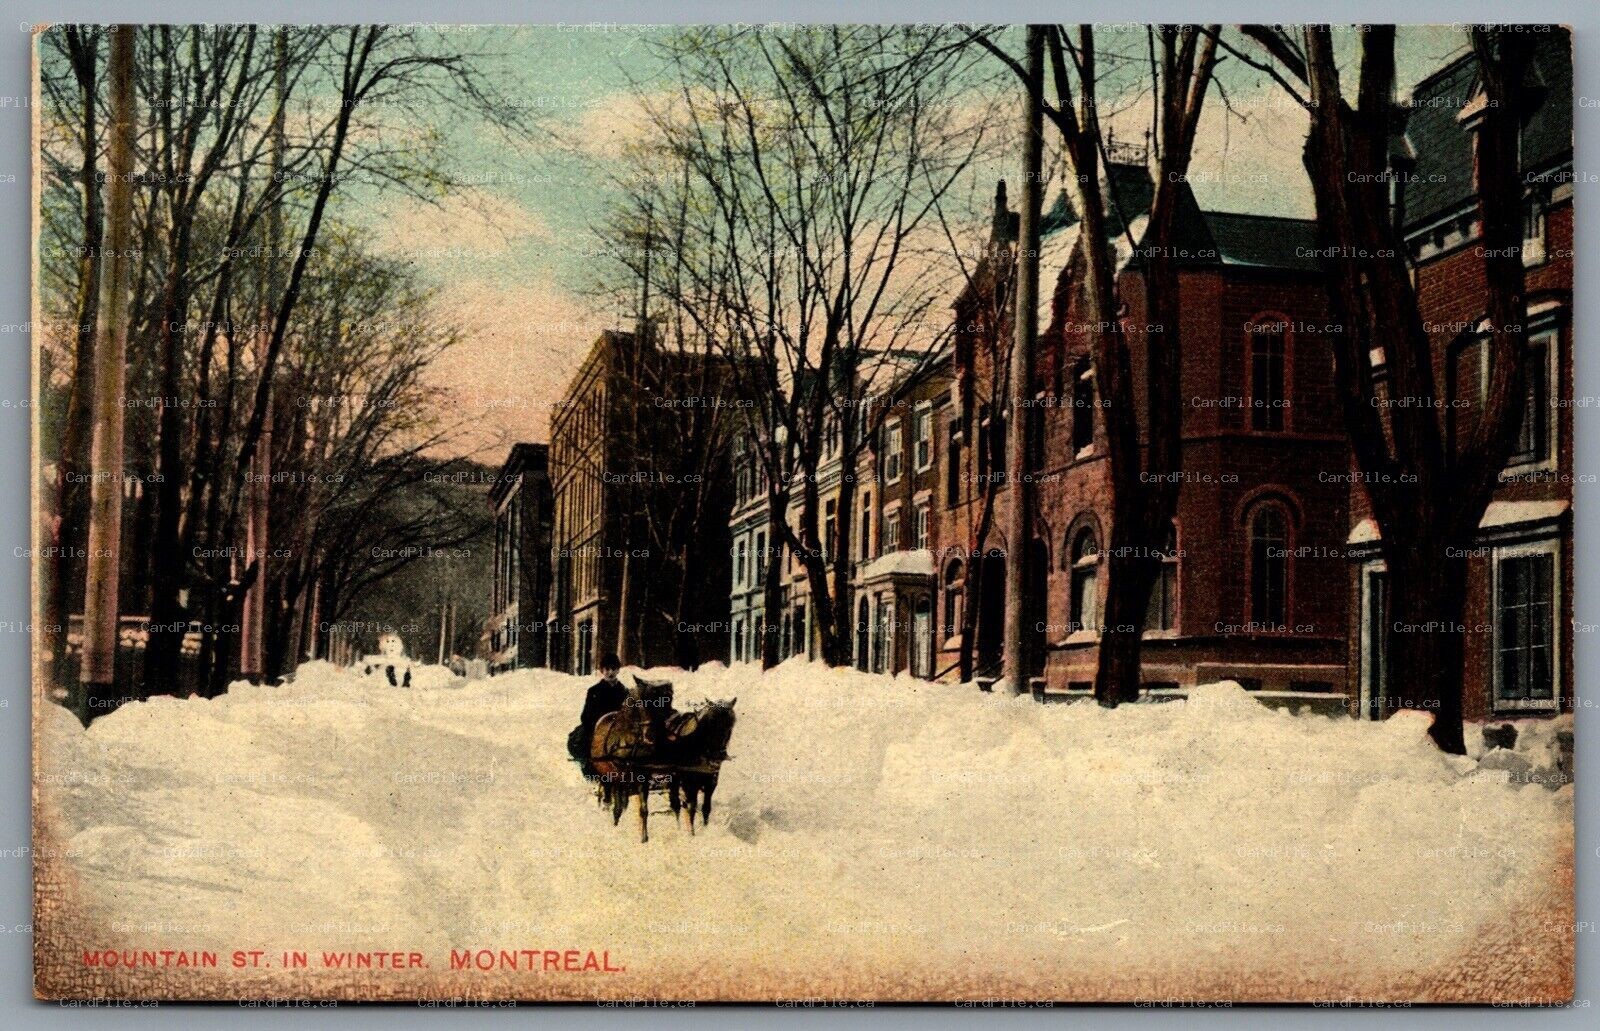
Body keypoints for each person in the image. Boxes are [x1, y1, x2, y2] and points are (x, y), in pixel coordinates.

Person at [568, 653, 627, 769]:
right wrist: (598, 725)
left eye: (614, 669)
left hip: (619, 729)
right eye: (607, 669)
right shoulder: (594, 691)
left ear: (618, 670)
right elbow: (586, 716)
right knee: (584, 739)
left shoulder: (624, 691)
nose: (610, 672)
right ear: (602, 670)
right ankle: (589, 764)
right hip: (599, 729)